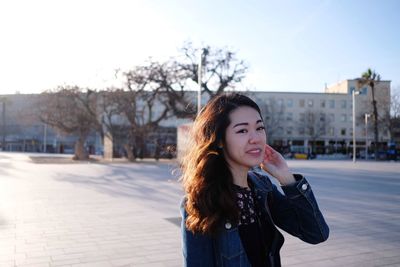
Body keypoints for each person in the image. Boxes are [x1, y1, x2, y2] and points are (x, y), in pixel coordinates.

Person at [180, 93, 329, 267]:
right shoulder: (201, 202)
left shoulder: (262, 188)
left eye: (259, 128)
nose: (256, 138)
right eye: (242, 130)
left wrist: (287, 178)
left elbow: (316, 234)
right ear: (219, 140)